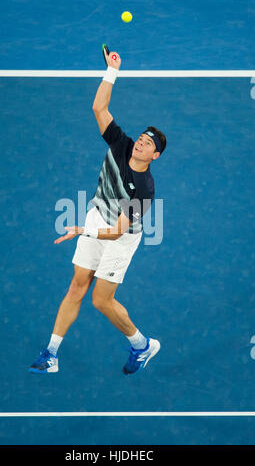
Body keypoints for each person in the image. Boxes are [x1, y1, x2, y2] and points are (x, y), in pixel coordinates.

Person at [29, 48, 167, 375]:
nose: (141, 144)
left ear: (155, 156)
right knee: (77, 285)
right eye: (142, 139)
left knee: (101, 301)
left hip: (119, 237)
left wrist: (82, 230)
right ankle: (51, 354)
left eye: (148, 144)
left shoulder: (144, 189)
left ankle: (143, 345)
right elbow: (99, 107)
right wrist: (112, 71)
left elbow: (118, 230)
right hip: (94, 220)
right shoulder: (121, 143)